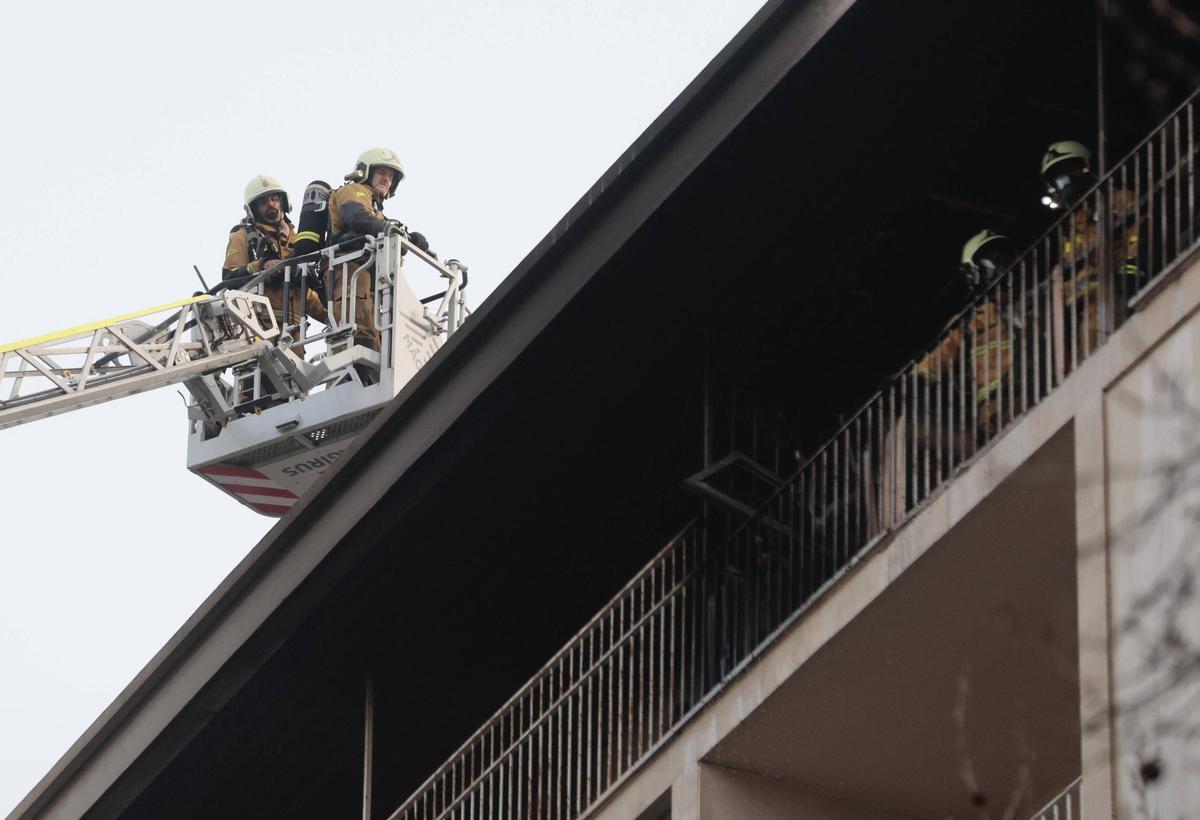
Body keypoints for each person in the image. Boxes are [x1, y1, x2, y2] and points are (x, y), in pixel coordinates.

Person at [1039, 141, 1141, 359]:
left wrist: (1130, 270)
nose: (1066, 182)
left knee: (1095, 322)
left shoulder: (1119, 199)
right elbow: (1067, 276)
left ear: (1089, 169)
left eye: (1071, 171)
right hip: (1079, 306)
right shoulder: (1070, 232)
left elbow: (1138, 234)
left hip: (1113, 290)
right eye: (1058, 178)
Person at [915, 230, 1017, 438]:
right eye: (992, 259)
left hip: (1037, 388)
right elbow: (940, 355)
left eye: (1003, 258)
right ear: (974, 272)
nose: (1001, 265)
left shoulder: (1034, 299)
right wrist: (914, 380)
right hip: (996, 407)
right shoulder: (969, 320)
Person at [222, 175, 326, 339]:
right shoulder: (243, 236)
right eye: (263, 202)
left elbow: (306, 293)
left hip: (295, 332)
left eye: (274, 199)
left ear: (283, 202)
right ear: (253, 209)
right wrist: (261, 266)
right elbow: (230, 277)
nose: (271, 204)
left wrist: (331, 315)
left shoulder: (297, 240)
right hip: (259, 328)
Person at [326, 148, 408, 354]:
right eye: (382, 173)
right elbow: (357, 218)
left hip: (369, 276)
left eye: (391, 177)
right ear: (366, 172)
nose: (387, 180)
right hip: (349, 269)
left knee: (375, 337)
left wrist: (410, 237)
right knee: (357, 328)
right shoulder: (354, 190)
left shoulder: (376, 210)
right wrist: (390, 229)